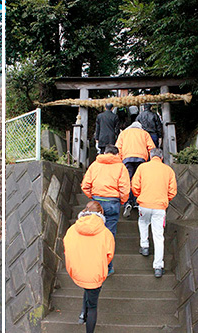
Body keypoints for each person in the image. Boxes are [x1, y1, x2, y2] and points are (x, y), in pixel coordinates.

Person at [64, 201, 115, 333]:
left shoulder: (72, 230)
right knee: (93, 306)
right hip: (95, 273)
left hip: (77, 271)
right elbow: (109, 256)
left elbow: (67, 250)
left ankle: (82, 314)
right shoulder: (106, 233)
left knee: (87, 287)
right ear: (100, 213)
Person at [81, 144, 129, 275]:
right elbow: (124, 188)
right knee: (109, 235)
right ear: (116, 154)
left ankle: (93, 264)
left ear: (104, 152)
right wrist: (122, 201)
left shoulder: (94, 165)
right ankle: (108, 267)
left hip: (97, 203)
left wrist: (93, 197)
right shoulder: (121, 167)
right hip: (113, 202)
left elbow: (85, 185)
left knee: (94, 233)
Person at [131, 148, 177, 278]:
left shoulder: (142, 168)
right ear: (161, 157)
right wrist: (166, 199)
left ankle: (144, 245)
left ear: (150, 156)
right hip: (160, 207)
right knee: (158, 235)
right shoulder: (168, 170)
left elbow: (134, 185)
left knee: (143, 222)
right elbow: (172, 190)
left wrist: (139, 196)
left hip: (144, 204)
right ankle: (158, 266)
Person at [115, 121, 156, 217]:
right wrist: (152, 160)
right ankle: (138, 202)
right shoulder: (145, 133)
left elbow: (118, 148)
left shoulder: (123, 133)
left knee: (128, 181)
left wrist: (120, 160)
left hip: (127, 159)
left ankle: (128, 202)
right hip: (141, 159)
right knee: (139, 181)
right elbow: (152, 148)